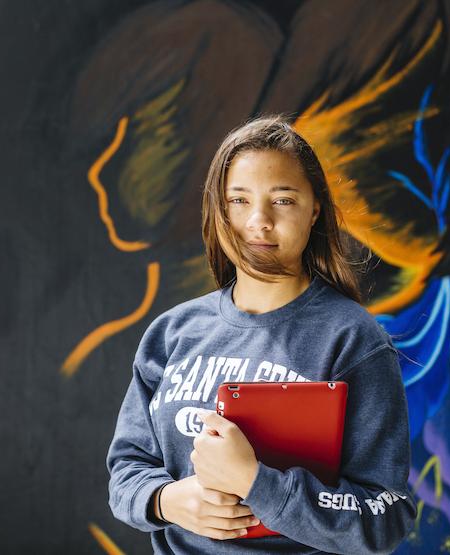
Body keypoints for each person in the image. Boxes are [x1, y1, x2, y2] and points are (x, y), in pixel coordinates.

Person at [106, 114, 417, 554]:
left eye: (283, 200)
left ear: (314, 211)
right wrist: (167, 500)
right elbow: (126, 472)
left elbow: (386, 515)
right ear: (218, 210)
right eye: (238, 200)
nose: (259, 221)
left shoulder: (352, 340)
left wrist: (255, 482)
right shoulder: (172, 334)